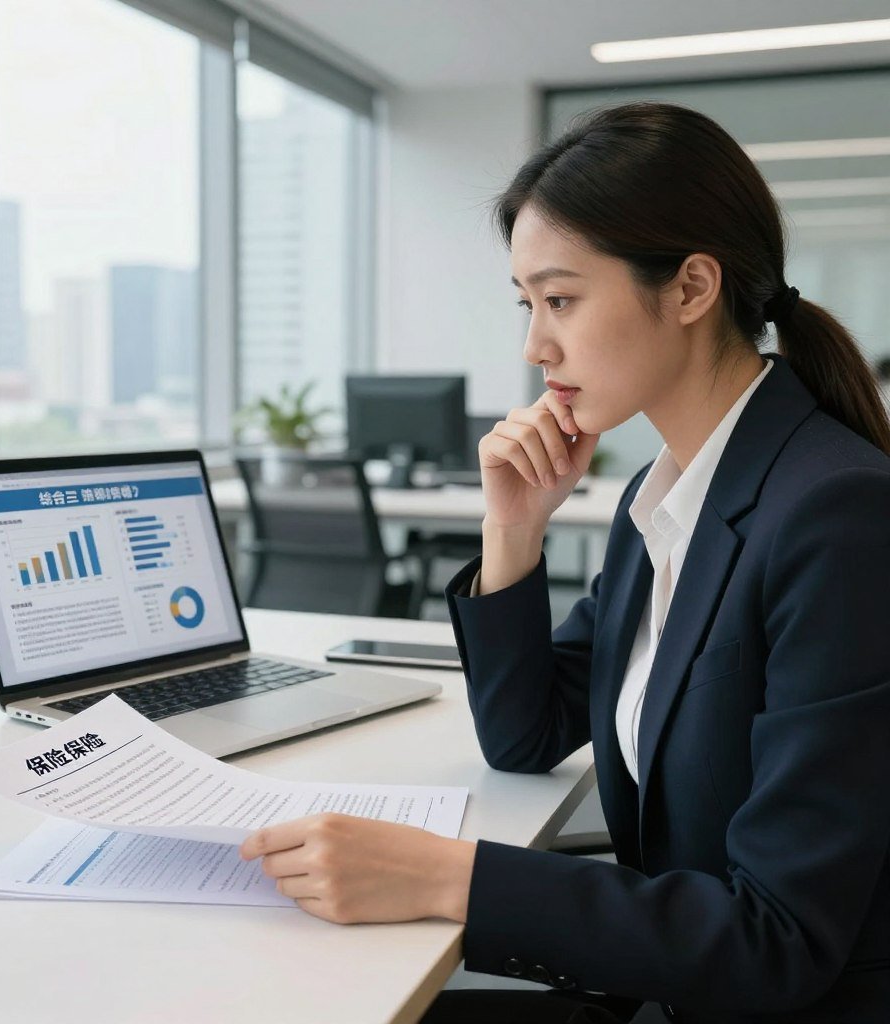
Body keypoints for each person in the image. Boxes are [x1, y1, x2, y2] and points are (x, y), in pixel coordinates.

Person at [239, 103, 890, 1023]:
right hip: (671, 977)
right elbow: (526, 735)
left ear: (692, 287)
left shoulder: (836, 515)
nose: (534, 346)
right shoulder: (666, 500)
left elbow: (778, 940)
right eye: (528, 304)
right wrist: (514, 531)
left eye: (561, 299)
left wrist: (448, 879)